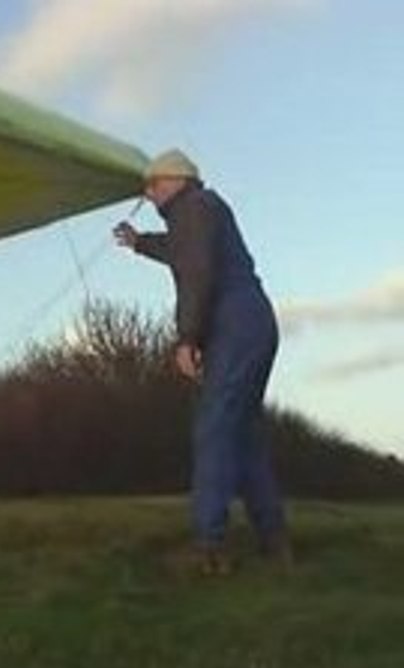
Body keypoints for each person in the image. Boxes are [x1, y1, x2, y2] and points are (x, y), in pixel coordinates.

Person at [114, 149, 291, 574]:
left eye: (153, 185)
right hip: (254, 320)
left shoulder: (193, 208)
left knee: (213, 428)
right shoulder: (200, 211)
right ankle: (276, 543)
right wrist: (140, 243)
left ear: (175, 181)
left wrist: (187, 338)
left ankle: (209, 547)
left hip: (234, 321)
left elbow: (196, 271)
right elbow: (182, 250)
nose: (149, 193)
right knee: (242, 435)